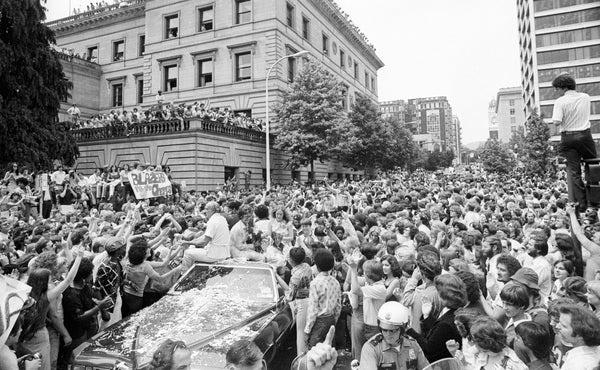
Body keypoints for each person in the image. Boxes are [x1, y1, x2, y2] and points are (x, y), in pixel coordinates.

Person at [551, 73, 597, 212]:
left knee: (574, 172)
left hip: (568, 138)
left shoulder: (560, 101)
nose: (556, 92)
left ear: (563, 88)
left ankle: (582, 203)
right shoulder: (585, 97)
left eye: (557, 89)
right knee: (593, 164)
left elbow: (557, 121)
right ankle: (594, 198)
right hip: (584, 135)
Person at [359, 301, 429, 370]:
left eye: (393, 331)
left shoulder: (413, 345)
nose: (388, 334)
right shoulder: (371, 349)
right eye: (384, 330)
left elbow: (427, 368)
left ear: (402, 329)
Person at [305, 249, 341, 349]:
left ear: (317, 265)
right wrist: (334, 320)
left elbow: (313, 309)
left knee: (316, 352)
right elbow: (338, 306)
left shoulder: (315, 283)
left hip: (319, 321)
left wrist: (307, 329)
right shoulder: (335, 282)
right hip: (331, 319)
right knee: (329, 351)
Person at [182, 201, 230, 265]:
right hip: (223, 253)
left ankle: (185, 274)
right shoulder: (222, 218)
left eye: (207, 209)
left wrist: (187, 242)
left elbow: (204, 242)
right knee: (192, 248)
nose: (205, 211)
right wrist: (191, 241)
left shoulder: (212, 221)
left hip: (214, 255)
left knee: (187, 253)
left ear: (213, 211)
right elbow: (204, 237)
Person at [556, 304, 600, 370]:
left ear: (579, 335)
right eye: (559, 322)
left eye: (563, 326)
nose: (557, 326)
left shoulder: (576, 365)